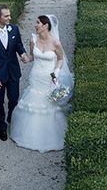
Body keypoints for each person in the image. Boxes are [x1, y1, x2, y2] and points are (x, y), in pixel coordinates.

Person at [9, 14, 73, 152]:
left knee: (48, 104)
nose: (35, 25)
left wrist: (56, 72)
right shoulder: (33, 40)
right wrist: (26, 58)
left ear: (46, 26)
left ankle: (49, 137)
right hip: (35, 77)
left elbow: (60, 59)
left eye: (38, 23)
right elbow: (32, 56)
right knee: (33, 101)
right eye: (36, 22)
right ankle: (29, 135)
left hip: (49, 77)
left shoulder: (56, 43)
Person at [0, 4, 29, 141]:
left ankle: (11, 118)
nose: (10, 18)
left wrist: (23, 54)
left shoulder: (14, 29)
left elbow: (19, 46)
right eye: (6, 16)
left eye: (9, 15)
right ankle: (2, 126)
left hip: (13, 71)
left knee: (14, 99)